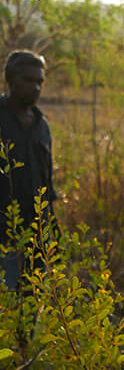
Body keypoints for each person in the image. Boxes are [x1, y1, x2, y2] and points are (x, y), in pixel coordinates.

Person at [0, 50, 57, 291]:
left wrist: (52, 230)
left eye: (40, 82)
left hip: (36, 235)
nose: (35, 87)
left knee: (32, 302)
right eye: (28, 80)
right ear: (11, 80)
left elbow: (47, 183)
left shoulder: (41, 125)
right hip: (3, 234)